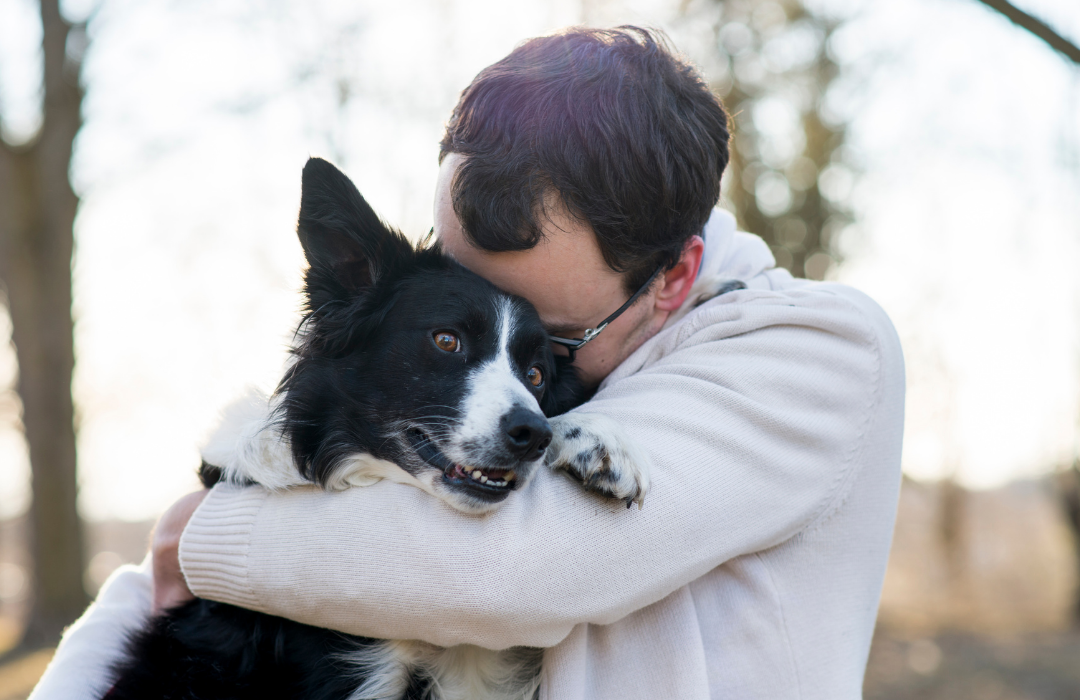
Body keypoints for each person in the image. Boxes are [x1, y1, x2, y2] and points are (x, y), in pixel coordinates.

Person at [31, 26, 904, 700]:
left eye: (545, 347)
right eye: (457, 307)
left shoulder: (818, 351)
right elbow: (178, 586)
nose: (512, 387)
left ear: (672, 277)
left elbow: (502, 572)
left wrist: (210, 535)